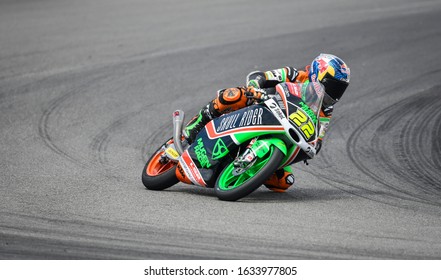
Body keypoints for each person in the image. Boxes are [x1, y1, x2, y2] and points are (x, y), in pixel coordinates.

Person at [183, 53, 350, 192]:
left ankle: (250, 166)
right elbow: (261, 76)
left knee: (284, 183)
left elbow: (317, 139)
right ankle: (198, 122)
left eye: (340, 90)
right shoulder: (296, 75)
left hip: (280, 132)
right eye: (333, 87)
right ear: (317, 74)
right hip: (260, 107)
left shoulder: (326, 109)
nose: (335, 94)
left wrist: (312, 146)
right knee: (233, 95)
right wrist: (255, 87)